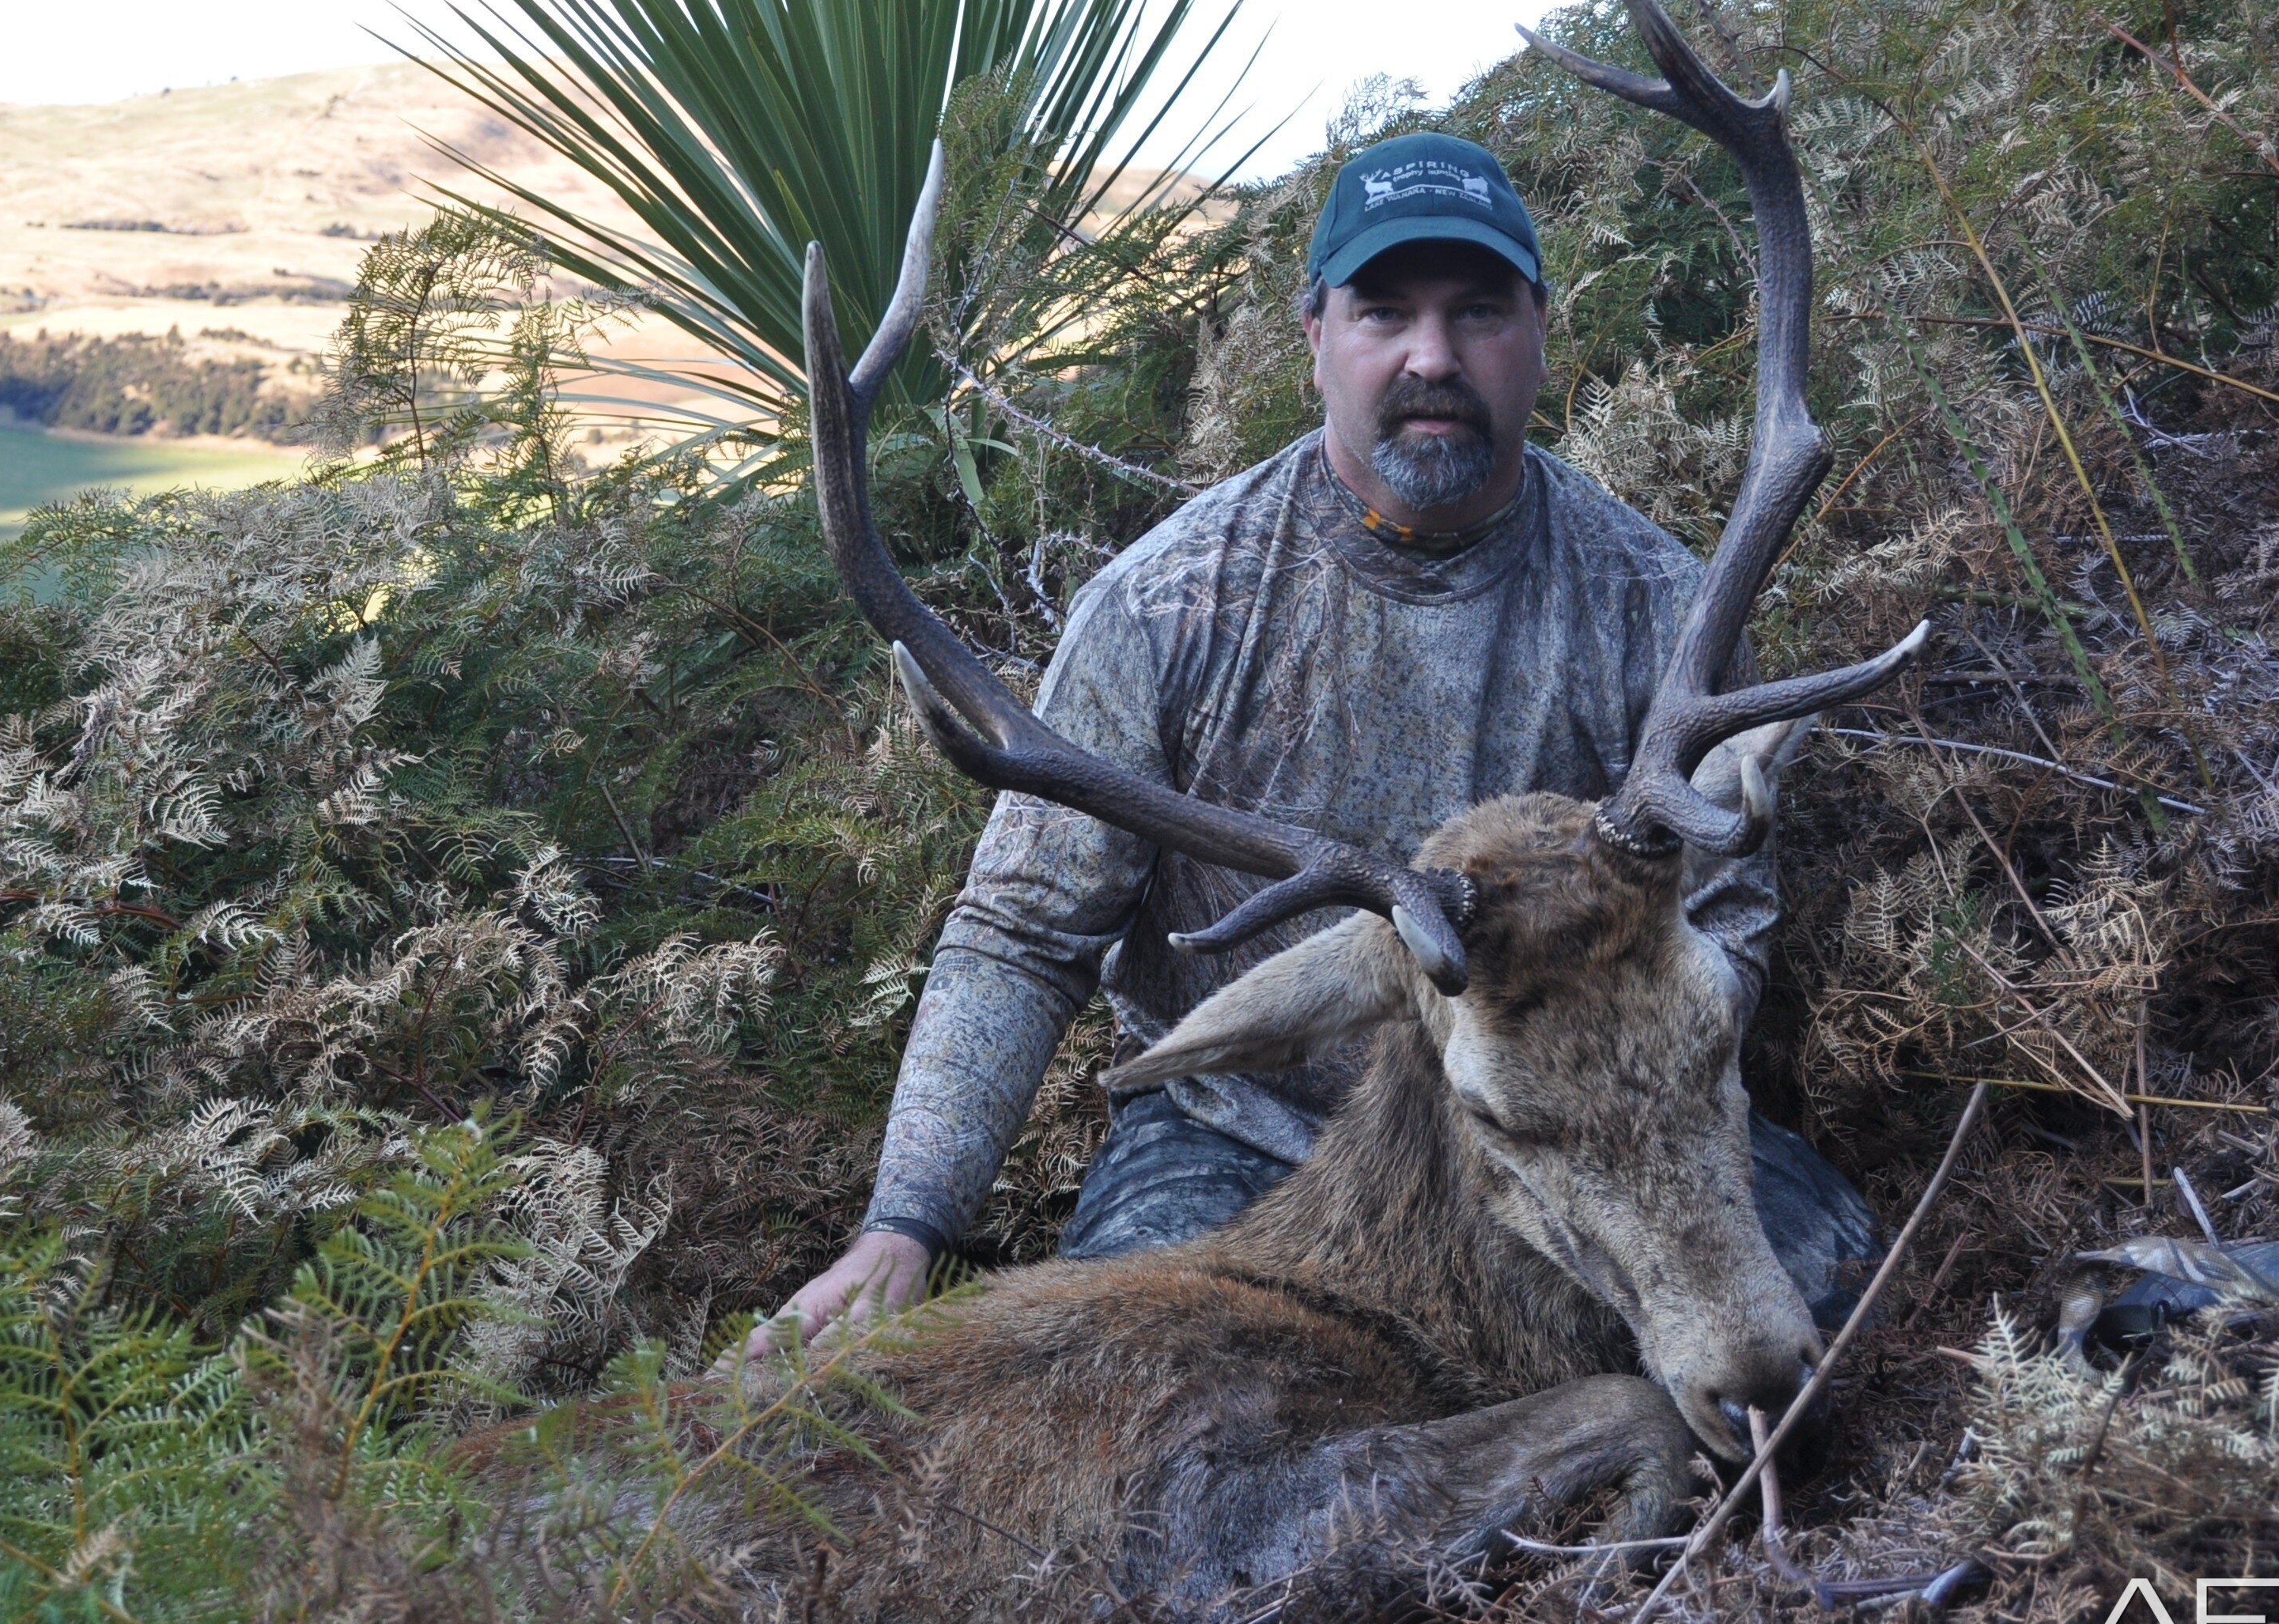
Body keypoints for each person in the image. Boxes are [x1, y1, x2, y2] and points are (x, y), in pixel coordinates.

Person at [755, 130, 1875, 1356]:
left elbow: (1728, 912)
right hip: (1241, 1138)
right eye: (1385, 311)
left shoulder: (1658, 603)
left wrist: (1603, 1082)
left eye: (1480, 313)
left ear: (1541, 335)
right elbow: (1023, 931)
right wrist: (905, 1227)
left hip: (1591, 1133)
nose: (1433, 357)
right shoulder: (1166, 606)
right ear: (1316, 340)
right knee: (1148, 1389)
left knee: (1825, 1319)